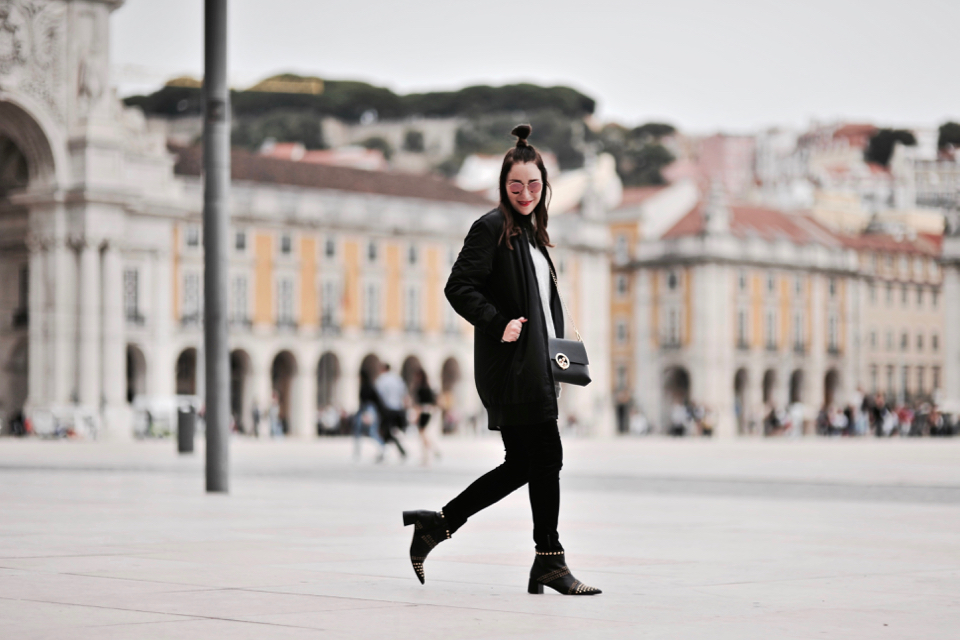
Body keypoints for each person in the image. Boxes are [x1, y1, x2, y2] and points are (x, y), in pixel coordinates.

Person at [401, 124, 601, 596]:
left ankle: (437, 525)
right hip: (512, 368)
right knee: (546, 456)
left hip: (536, 367)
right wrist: (499, 323)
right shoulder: (490, 228)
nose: (525, 193)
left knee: (522, 464)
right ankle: (549, 561)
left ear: (544, 186)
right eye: (516, 186)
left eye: (534, 185)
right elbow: (458, 287)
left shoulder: (533, 235)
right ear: (503, 187)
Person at [374, 363, 408, 460]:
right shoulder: (397, 379)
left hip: (386, 409)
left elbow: (378, 395)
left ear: (383, 369)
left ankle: (384, 451)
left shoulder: (381, 380)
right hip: (397, 409)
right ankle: (396, 450)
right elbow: (404, 394)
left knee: (384, 431)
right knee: (392, 431)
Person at [353, 368, 385, 461]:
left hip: (368, 410)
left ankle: (382, 447)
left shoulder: (366, 387)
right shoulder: (369, 386)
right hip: (369, 410)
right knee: (362, 431)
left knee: (369, 431)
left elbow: (366, 402)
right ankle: (358, 451)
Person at [413, 368, 440, 466]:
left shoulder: (420, 388)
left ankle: (429, 454)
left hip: (422, 412)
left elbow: (418, 405)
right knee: (424, 435)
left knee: (422, 435)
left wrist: (416, 416)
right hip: (428, 412)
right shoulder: (428, 387)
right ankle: (431, 452)